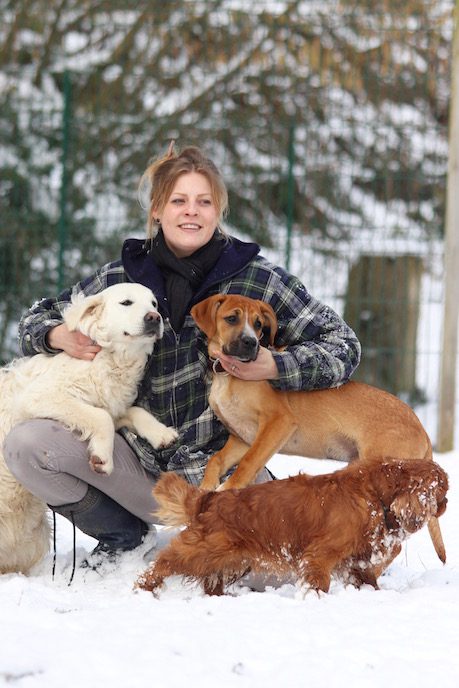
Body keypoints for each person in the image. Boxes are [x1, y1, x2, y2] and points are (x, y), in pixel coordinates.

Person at [3, 144, 361, 568]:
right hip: (138, 465)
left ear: (218, 211)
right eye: (179, 201)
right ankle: (122, 534)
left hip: (227, 471)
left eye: (204, 202)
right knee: (28, 445)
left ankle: (240, 527)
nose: (191, 212)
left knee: (267, 574)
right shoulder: (123, 277)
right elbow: (36, 317)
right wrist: (56, 334)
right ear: (157, 210)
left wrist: (277, 365)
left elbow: (343, 345)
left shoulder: (257, 278)